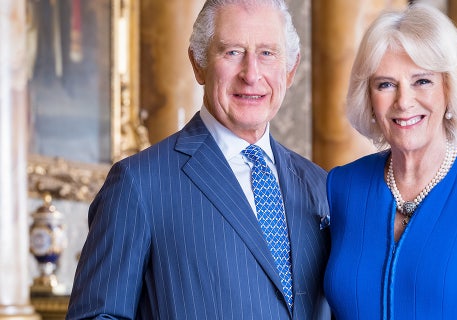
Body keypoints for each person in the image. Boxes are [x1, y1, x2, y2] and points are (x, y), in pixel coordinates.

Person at [66, 0, 331, 319]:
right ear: (198, 64)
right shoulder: (139, 184)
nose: (252, 74)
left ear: (290, 69)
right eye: (232, 52)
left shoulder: (320, 185)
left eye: (267, 53)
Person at [323, 3, 457, 319]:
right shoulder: (343, 186)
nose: (404, 101)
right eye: (385, 84)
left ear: (448, 88)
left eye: (421, 81)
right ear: (369, 98)